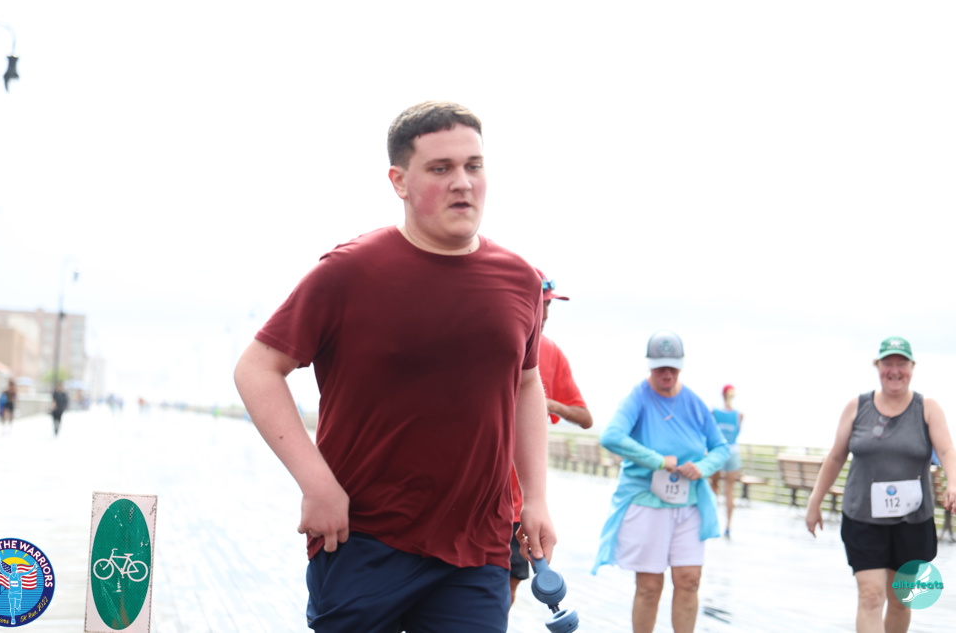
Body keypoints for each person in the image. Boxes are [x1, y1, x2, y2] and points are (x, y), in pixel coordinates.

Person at [233, 101, 556, 633]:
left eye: (473, 166)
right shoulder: (349, 271)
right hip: (363, 538)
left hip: (477, 549)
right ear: (399, 181)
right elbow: (257, 369)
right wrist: (316, 484)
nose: (462, 183)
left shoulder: (521, 279)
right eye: (440, 168)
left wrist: (536, 499)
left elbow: (525, 383)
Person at [805, 337, 956, 633]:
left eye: (902, 363)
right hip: (863, 518)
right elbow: (835, 457)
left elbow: (947, 450)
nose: (894, 370)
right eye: (888, 363)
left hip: (913, 520)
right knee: (871, 596)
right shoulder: (856, 406)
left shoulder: (928, 408)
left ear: (912, 367)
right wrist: (814, 502)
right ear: (877, 366)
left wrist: (953, 481)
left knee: (901, 600)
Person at [593, 330, 729, 633]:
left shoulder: (693, 401)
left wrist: (703, 467)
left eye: (672, 367)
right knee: (650, 585)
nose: (666, 374)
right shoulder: (638, 397)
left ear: (681, 365)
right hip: (647, 501)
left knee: (689, 579)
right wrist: (657, 460)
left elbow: (720, 447)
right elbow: (611, 436)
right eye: (660, 367)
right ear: (649, 365)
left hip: (689, 502)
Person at [509, 269, 593, 604]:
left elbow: (585, 418)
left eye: (548, 305)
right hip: (475, 496)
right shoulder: (494, 340)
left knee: (507, 591)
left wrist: (547, 402)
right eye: (539, 303)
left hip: (519, 504)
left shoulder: (551, 352)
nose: (544, 313)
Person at [709, 384, 743, 538]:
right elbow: (737, 433)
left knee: (714, 487)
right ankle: (728, 526)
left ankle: (712, 522)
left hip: (718, 452)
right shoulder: (739, 415)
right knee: (730, 490)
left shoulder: (714, 412)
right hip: (733, 452)